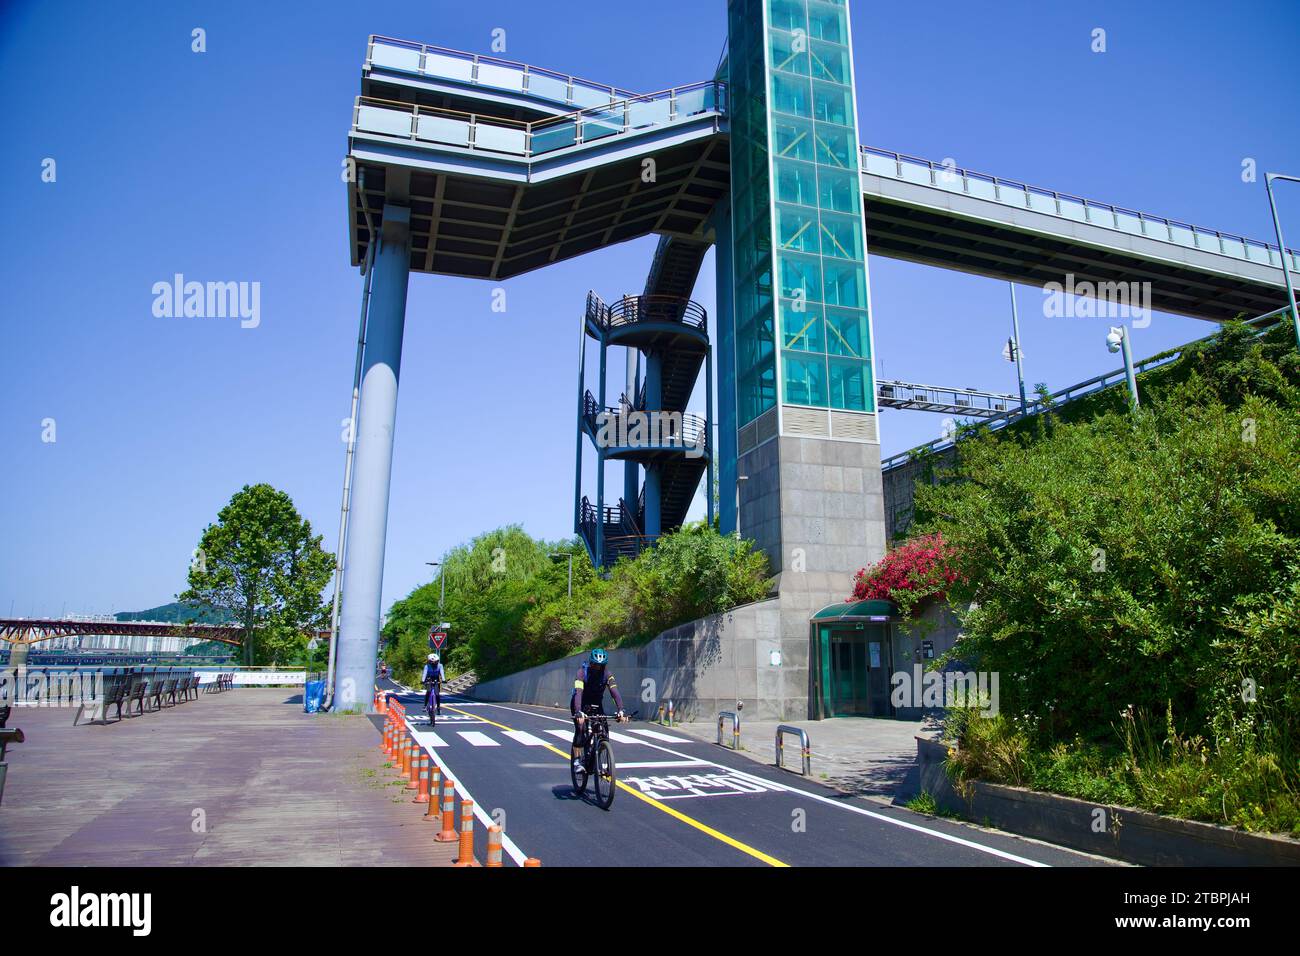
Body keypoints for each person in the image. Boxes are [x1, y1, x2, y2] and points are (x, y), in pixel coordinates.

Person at [570, 648, 626, 774]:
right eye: (595, 665)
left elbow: (614, 692)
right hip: (580, 703)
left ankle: (602, 758)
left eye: (600, 665)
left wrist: (621, 709)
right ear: (591, 663)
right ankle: (577, 760)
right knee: (581, 728)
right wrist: (578, 711)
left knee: (604, 729)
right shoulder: (581, 673)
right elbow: (578, 693)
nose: (597, 668)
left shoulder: (607, 674)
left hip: (596, 703)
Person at [422, 653, 444, 719]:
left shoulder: (440, 666)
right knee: (428, 691)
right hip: (429, 679)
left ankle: (438, 708)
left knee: (437, 694)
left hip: (436, 679)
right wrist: (423, 680)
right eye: (432, 662)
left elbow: (442, 673)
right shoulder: (427, 666)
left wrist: (443, 679)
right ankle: (425, 706)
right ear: (429, 662)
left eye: (436, 661)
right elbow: (425, 673)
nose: (434, 663)